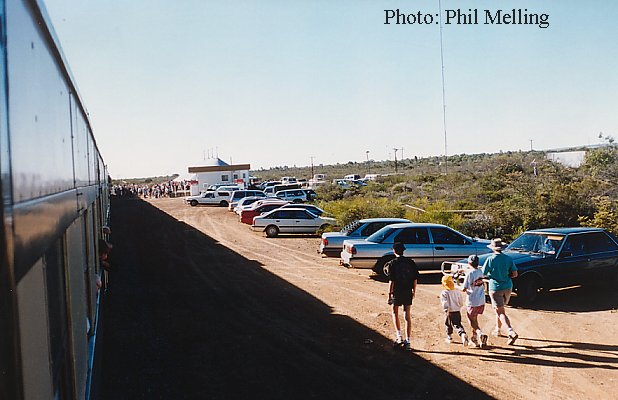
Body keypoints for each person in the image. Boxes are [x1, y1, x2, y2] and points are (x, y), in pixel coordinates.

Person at [483, 238, 519, 345]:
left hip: (495, 288)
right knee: (499, 310)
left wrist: (491, 275)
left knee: (501, 312)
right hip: (507, 286)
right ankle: (497, 330)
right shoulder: (508, 258)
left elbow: (483, 272)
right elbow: (515, 274)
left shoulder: (490, 259)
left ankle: (510, 331)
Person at [385, 242, 419, 350]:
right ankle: (408, 340)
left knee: (395, 312)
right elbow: (415, 279)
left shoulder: (392, 263)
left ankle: (399, 336)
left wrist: (389, 294)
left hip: (397, 291)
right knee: (407, 315)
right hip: (407, 290)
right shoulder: (410, 262)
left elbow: (392, 281)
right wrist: (414, 291)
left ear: (394, 251)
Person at [461, 254, 488, 348]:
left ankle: (479, 333)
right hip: (481, 300)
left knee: (470, 319)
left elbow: (464, 288)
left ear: (469, 262)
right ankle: (475, 338)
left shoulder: (469, 274)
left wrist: (456, 284)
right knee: (475, 318)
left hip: (472, 300)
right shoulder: (480, 271)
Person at [440, 275, 469, 346]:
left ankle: (449, 337)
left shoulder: (444, 293)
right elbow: (461, 302)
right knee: (457, 324)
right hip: (457, 311)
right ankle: (462, 334)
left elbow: (444, 303)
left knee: (448, 324)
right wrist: (459, 307)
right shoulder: (457, 292)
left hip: (449, 311)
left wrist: (446, 310)